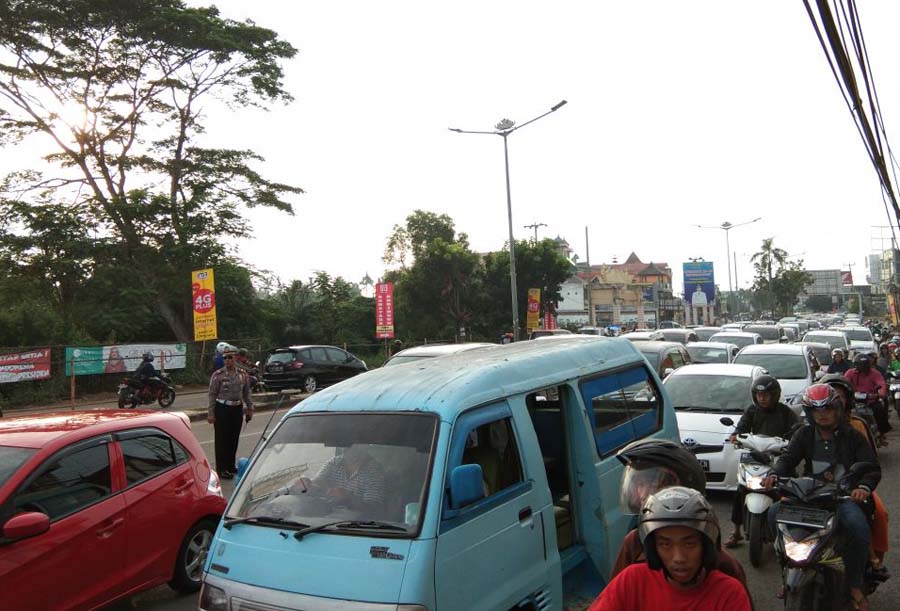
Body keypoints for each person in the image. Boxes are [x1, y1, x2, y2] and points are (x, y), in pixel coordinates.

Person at [765, 384, 881, 611]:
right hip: (808, 496)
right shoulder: (804, 434)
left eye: (827, 408)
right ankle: (787, 570)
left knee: (858, 527)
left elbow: (871, 467)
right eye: (816, 410)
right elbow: (787, 459)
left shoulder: (853, 436)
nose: (822, 414)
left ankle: (855, 585)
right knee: (773, 513)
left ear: (837, 409)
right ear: (809, 412)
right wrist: (774, 474)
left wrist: (863, 487)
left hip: (842, 498)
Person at [610, 439, 750, 599]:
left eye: (653, 485)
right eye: (639, 484)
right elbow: (615, 597)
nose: (642, 495)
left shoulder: (725, 569)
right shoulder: (634, 543)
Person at [590, 487, 751, 611]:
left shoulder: (729, 594)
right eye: (665, 544)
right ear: (653, 550)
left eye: (689, 544)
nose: (678, 558)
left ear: (706, 546)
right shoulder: (632, 581)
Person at [821, 374, 890, 568]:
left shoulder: (857, 425)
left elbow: (870, 462)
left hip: (853, 486)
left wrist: (862, 486)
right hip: (817, 487)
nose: (835, 401)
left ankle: (874, 557)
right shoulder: (809, 429)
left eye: (839, 397)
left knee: (880, 514)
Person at [723, 374, 798, 548]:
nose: (762, 398)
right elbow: (742, 427)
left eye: (766, 395)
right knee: (741, 488)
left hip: (779, 458)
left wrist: (793, 441)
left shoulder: (786, 412)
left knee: (791, 490)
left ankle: (791, 531)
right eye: (759, 394)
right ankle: (736, 531)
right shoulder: (752, 411)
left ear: (775, 395)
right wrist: (735, 435)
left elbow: (797, 431)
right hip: (755, 457)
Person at [293, 445, 386, 512]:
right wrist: (306, 484)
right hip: (326, 520)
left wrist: (348, 498)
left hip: (357, 525)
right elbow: (319, 480)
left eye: (355, 445)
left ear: (365, 446)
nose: (350, 448)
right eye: (347, 445)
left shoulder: (374, 470)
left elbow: (373, 508)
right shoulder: (334, 462)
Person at [207, 349, 254, 480]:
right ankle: (221, 468)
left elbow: (246, 393)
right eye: (225, 358)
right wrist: (211, 413)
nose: (227, 360)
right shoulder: (218, 375)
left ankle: (230, 465)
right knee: (222, 439)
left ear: (235, 358)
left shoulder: (242, 374)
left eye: (230, 358)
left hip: (237, 408)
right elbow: (212, 394)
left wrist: (250, 408)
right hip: (222, 408)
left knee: (234, 438)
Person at [845, 353, 891, 446]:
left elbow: (881, 383)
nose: (862, 368)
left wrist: (881, 393)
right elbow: (844, 383)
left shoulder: (875, 373)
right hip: (853, 401)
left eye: (864, 365)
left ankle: (881, 434)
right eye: (860, 365)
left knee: (880, 412)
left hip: (871, 400)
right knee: (842, 414)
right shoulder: (850, 373)